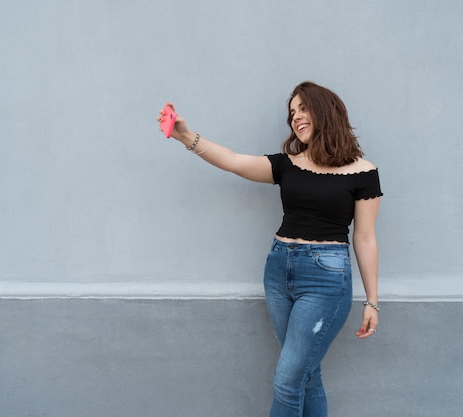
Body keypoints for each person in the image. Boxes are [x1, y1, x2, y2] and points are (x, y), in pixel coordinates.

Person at [157, 81, 382, 417]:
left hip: (326, 280)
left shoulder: (364, 173)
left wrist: (372, 301)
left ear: (326, 111)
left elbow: (364, 238)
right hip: (279, 270)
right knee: (305, 376)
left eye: (303, 108)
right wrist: (185, 135)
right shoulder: (288, 165)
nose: (296, 117)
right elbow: (233, 161)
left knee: (287, 380)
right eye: (292, 113)